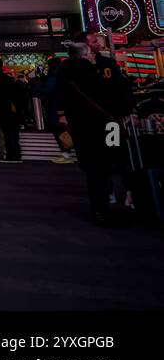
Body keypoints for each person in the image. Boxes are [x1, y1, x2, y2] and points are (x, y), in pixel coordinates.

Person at [54, 42, 135, 225]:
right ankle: (128, 195)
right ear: (84, 55)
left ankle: (101, 206)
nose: (92, 55)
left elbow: (58, 97)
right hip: (109, 124)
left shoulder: (64, 73)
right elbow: (119, 93)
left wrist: (64, 116)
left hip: (83, 127)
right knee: (118, 158)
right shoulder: (97, 71)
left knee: (94, 168)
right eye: (90, 52)